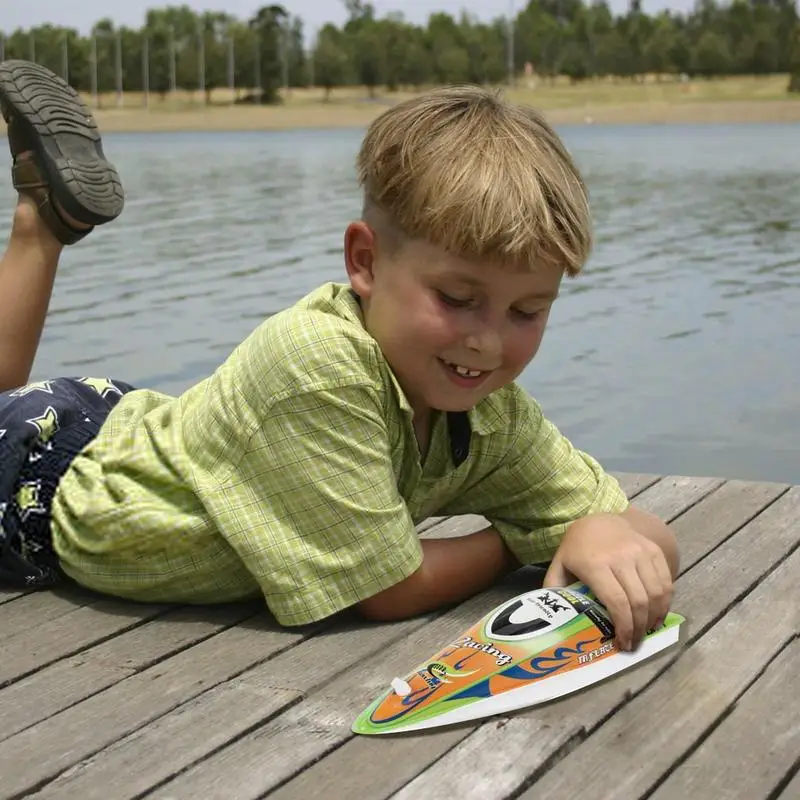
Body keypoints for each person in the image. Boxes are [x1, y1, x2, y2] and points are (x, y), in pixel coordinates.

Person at [0, 59, 678, 652]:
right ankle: (41, 225)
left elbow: (643, 536)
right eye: (457, 296)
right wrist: (525, 540)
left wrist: (599, 531)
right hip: (41, 486)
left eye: (527, 311)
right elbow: (388, 589)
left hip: (127, 425)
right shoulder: (315, 365)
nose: (489, 341)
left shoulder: (492, 414)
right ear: (365, 261)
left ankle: (46, 221)